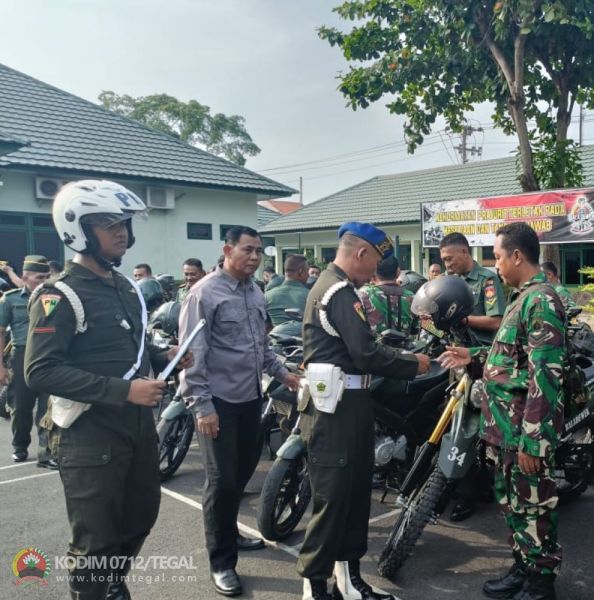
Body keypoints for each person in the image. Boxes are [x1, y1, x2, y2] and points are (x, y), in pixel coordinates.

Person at [25, 180, 191, 600]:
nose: (120, 232)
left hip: (135, 427)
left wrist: (163, 355)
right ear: (77, 228)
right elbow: (40, 371)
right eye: (106, 223)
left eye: (123, 223)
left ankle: (110, 583)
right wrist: (123, 391)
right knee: (95, 542)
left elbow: (129, 347)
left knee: (140, 517)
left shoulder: (125, 287)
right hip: (87, 433)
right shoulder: (57, 295)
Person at [297, 222, 429, 600]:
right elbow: (366, 353)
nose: (376, 270)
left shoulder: (341, 288)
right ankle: (314, 586)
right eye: (374, 260)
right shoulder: (338, 292)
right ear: (360, 253)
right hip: (332, 410)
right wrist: (412, 362)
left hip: (350, 404)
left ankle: (349, 580)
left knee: (354, 496)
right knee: (332, 499)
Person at [440, 222, 565, 600]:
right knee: (512, 505)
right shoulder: (521, 298)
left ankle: (541, 583)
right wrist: (474, 356)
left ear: (516, 255)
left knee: (534, 508)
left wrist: (533, 441)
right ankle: (521, 567)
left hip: (523, 433)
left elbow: (545, 374)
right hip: (503, 429)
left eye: (497, 257)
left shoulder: (540, 299)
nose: (495, 266)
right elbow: (512, 358)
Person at [179, 225, 300, 597]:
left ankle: (230, 534)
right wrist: (202, 406)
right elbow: (191, 355)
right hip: (216, 403)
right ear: (227, 250)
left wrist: (284, 373)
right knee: (221, 481)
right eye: (247, 250)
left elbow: (260, 345)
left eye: (258, 251)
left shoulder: (255, 291)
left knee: (243, 472)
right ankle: (222, 562)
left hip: (250, 398)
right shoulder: (203, 294)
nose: (254, 257)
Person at [440, 232, 507, 520]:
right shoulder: (447, 282)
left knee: (472, 430)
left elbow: (495, 321)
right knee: (451, 426)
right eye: (443, 260)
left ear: (465, 253)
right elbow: (435, 320)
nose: (446, 264)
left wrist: (462, 318)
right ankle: (457, 485)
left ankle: (471, 494)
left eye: (449, 258)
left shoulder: (487, 281)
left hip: (480, 361)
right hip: (455, 362)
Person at [0, 255, 51, 465]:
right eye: (40, 277)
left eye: (47, 276)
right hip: (20, 356)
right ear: (25, 277)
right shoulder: (10, 299)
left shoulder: (52, 297)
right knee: (20, 407)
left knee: (46, 407)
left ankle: (46, 452)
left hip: (47, 356)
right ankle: (20, 446)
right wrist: (1, 367)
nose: (45, 281)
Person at [357, 256, 418, 337]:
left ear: (373, 273)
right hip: (406, 348)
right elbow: (422, 326)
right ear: (398, 272)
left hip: (373, 348)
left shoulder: (363, 294)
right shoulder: (412, 297)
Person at [265, 254, 311, 326]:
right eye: (307, 270)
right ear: (300, 271)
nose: (308, 275)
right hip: (303, 336)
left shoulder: (267, 296)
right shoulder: (310, 295)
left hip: (275, 335)